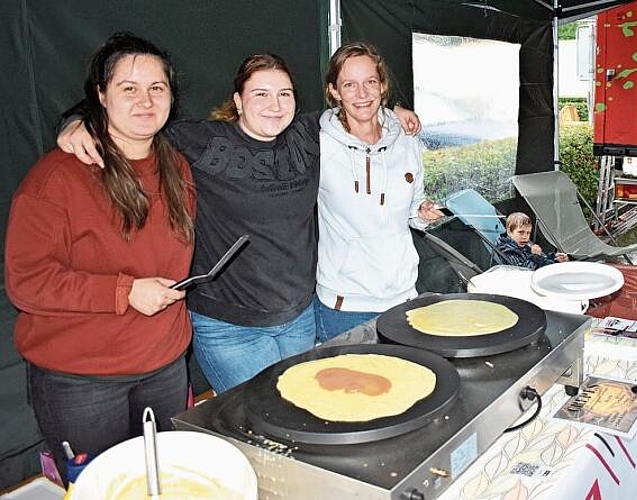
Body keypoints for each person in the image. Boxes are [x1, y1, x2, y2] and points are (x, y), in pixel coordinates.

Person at [57, 53, 422, 394]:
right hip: (230, 328)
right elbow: (133, 122)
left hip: (299, 318)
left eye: (284, 94)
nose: (274, 105)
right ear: (238, 100)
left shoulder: (307, 135)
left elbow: (359, 108)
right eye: (260, 94)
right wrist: (79, 121)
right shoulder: (203, 141)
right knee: (259, 419)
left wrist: (396, 114)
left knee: (304, 410)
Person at [5, 32, 195, 484]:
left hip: (165, 366)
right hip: (82, 382)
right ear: (101, 95)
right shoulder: (57, 176)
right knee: (103, 489)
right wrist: (125, 292)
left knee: (164, 483)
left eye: (157, 88)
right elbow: (26, 280)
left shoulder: (178, 166)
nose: (145, 100)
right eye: (129, 88)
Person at [314, 42, 443, 342]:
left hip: (404, 298)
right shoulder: (319, 144)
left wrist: (424, 213)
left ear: (382, 85)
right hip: (344, 306)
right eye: (349, 84)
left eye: (370, 82)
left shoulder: (407, 139)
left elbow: (415, 208)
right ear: (334, 91)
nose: (361, 94)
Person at [496, 212, 569, 270]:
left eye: (528, 233)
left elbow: (541, 261)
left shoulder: (524, 246)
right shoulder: (506, 250)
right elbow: (523, 271)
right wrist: (535, 256)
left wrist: (555, 258)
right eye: (521, 232)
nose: (525, 237)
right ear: (509, 232)